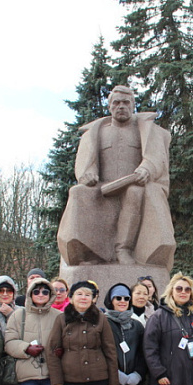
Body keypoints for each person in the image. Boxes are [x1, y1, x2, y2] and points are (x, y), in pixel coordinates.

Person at [57, 85, 174, 267]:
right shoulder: (97, 132)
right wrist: (88, 174)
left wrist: (147, 169)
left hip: (134, 184)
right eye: (117, 103)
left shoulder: (146, 130)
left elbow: (156, 157)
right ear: (110, 106)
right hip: (102, 186)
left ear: (133, 105)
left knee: (134, 192)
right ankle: (87, 253)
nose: (121, 106)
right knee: (78, 192)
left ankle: (123, 248)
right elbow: (86, 163)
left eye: (126, 103)